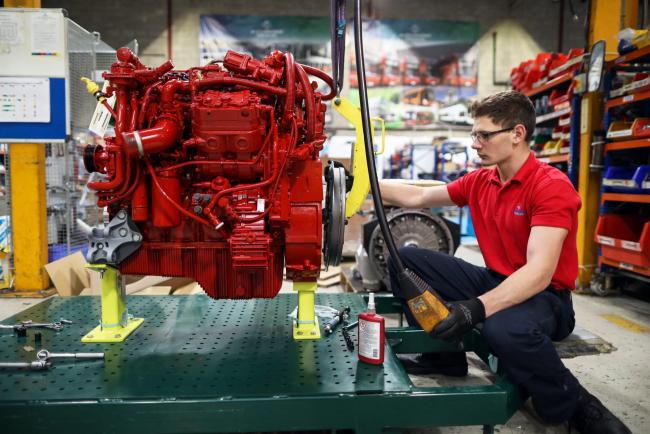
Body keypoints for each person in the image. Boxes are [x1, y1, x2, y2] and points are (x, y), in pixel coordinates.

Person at [380, 91, 631, 434]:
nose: (475, 143)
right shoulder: (482, 180)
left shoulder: (550, 186)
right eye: (474, 134)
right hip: (497, 279)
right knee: (406, 260)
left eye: (484, 135)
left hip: (547, 298)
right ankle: (444, 354)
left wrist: (474, 309)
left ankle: (574, 404)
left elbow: (539, 273)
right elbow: (418, 195)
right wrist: (355, 183)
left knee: (503, 330)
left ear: (517, 134)